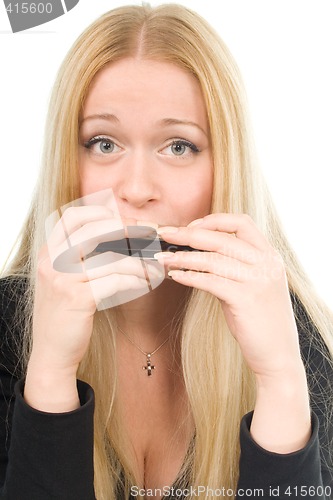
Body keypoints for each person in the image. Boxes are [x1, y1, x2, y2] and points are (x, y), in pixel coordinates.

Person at [0, 3, 332, 499]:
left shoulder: (297, 338)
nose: (136, 189)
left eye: (178, 146)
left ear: (227, 168)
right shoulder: (6, 328)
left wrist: (281, 381)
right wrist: (50, 372)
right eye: (104, 143)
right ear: (66, 159)